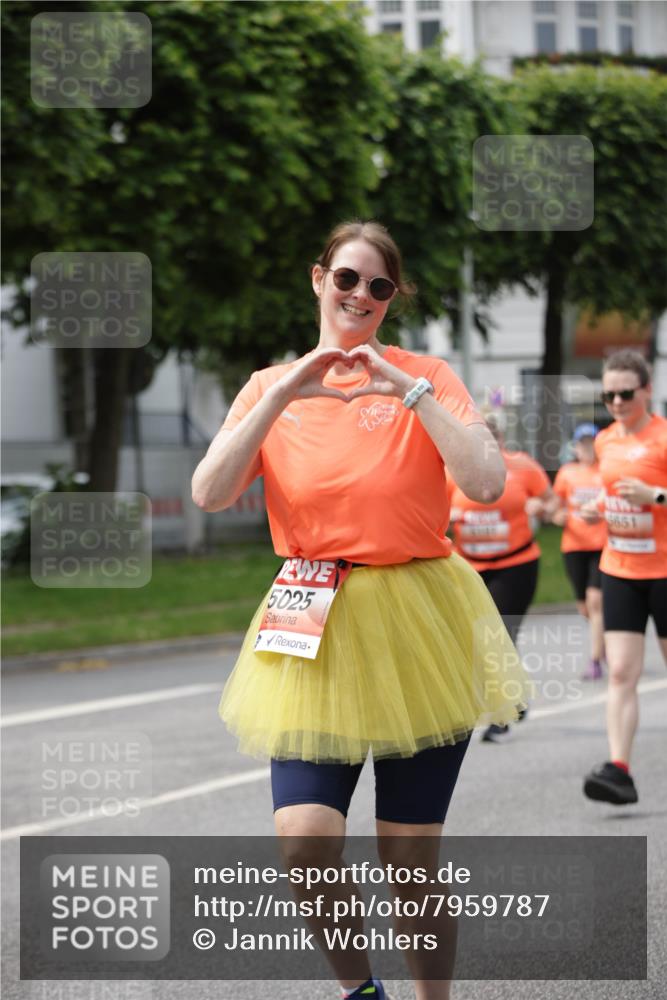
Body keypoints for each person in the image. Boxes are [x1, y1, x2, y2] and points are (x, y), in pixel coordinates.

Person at [192, 220, 528, 1000]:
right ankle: (359, 991)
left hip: (418, 613)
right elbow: (210, 491)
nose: (360, 296)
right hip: (311, 615)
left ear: (392, 298)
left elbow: (481, 483)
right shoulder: (267, 387)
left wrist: (404, 390)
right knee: (303, 841)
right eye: (347, 278)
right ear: (318, 279)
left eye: (379, 286)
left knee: (408, 865)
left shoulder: (426, 374)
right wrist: (282, 391)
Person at [579, 350, 667, 806]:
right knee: (621, 673)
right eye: (608, 393)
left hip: (665, 571)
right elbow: (613, 497)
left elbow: (655, 497)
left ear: (646, 391)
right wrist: (600, 509)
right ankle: (619, 769)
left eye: (624, 393)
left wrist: (657, 495)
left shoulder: (663, 437)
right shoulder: (605, 442)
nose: (615, 401)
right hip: (620, 568)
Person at [447, 415, 553, 743]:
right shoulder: (452, 472)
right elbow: (433, 514)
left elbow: (550, 500)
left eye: (489, 436)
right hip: (471, 567)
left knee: (499, 635)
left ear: (500, 439)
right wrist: (446, 519)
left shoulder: (522, 466)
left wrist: (541, 506)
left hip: (515, 564)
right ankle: (515, 697)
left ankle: (501, 716)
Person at [551, 424, 607, 680]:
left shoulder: (606, 471)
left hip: (602, 545)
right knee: (584, 607)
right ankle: (603, 641)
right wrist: (556, 515)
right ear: (575, 447)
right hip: (574, 545)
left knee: (596, 601)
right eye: (582, 443)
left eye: (591, 442)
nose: (587, 448)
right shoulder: (567, 472)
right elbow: (555, 505)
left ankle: (594, 661)